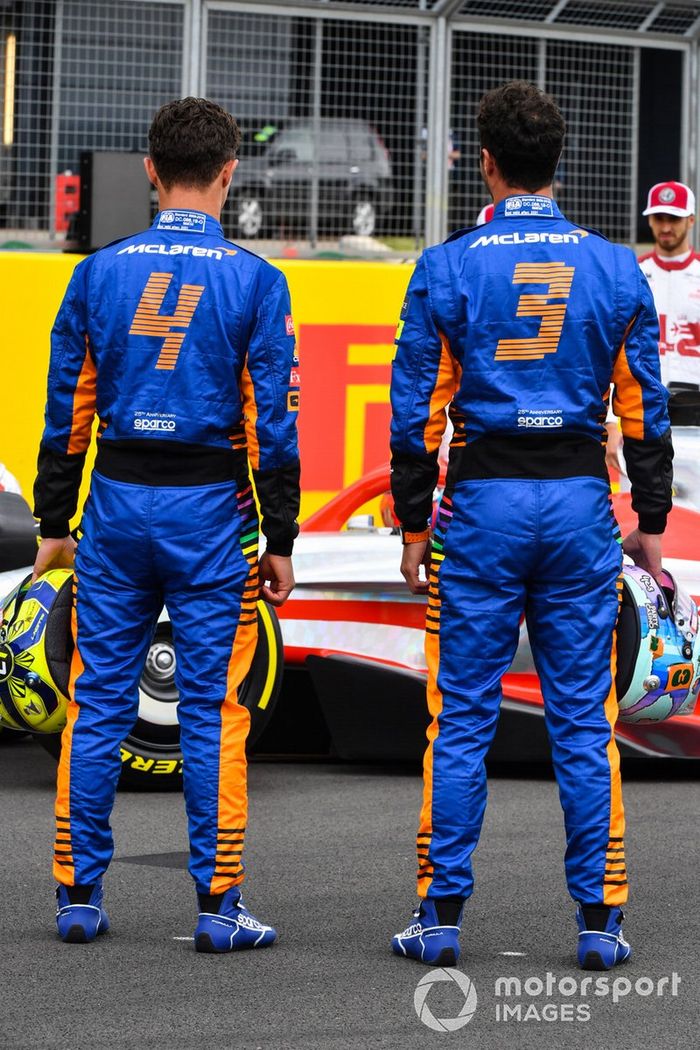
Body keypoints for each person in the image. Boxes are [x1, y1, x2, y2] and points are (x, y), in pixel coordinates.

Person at [389, 81, 672, 971]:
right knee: (584, 721)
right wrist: (651, 520)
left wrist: (412, 522)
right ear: (559, 163)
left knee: (461, 721)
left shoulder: (445, 266)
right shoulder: (617, 268)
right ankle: (601, 921)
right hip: (580, 505)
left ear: (485, 163)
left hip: (482, 510)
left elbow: (414, 415)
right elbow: (646, 411)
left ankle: (439, 919)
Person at [32, 97, 300, 952]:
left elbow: (66, 411)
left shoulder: (94, 273)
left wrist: (53, 518)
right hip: (212, 513)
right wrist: (281, 537)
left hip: (114, 502)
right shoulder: (257, 280)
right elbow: (275, 425)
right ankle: (219, 906)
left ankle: (78, 896)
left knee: (97, 698)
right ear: (230, 172)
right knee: (214, 708)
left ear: (150, 170)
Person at [608, 180, 700, 470]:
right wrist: (609, 421)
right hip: (643, 413)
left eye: (674, 218)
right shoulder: (631, 274)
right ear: (649, 220)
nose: (666, 227)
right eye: (659, 218)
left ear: (691, 220)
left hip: (695, 413)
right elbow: (610, 347)